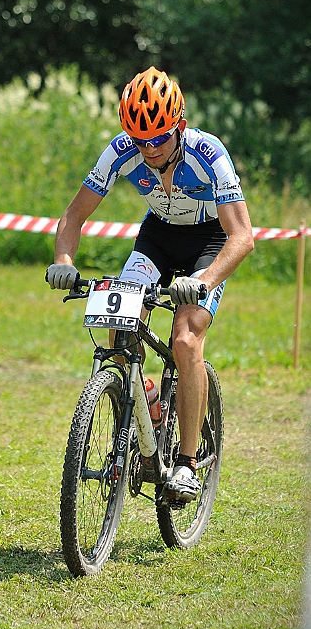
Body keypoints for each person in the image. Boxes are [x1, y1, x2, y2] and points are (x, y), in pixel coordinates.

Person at [46, 66, 254, 502]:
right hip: (157, 237)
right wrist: (63, 260)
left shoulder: (209, 153)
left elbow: (242, 237)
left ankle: (187, 463)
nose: (150, 149)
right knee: (119, 328)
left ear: (179, 126)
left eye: (159, 138)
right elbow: (74, 215)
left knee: (185, 340)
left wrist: (204, 280)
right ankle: (149, 404)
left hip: (209, 242)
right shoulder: (122, 150)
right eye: (141, 140)